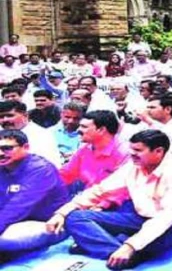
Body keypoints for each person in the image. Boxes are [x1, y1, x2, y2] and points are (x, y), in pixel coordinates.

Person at [46, 130, 172, 270]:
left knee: (153, 241)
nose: (132, 154)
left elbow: (167, 217)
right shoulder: (133, 166)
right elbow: (99, 191)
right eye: (131, 149)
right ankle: (117, 251)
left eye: (138, 150)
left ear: (158, 151)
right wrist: (61, 213)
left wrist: (130, 246)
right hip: (138, 218)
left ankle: (109, 247)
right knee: (74, 217)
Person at [0, 130, 68, 262]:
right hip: (13, 221)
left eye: (7, 148)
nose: (0, 153)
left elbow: (17, 207)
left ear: (26, 147)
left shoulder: (41, 169)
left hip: (46, 223)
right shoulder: (3, 167)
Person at [59, 111, 129, 204]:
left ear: (101, 130)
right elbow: (66, 174)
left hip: (117, 206)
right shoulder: (85, 149)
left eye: (84, 127)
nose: (78, 130)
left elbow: (124, 189)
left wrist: (102, 204)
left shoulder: (125, 152)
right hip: (88, 200)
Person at [0, 100, 60, 167]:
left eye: (10, 115)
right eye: (1, 117)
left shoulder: (42, 135)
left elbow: (49, 166)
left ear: (25, 115)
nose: (5, 120)